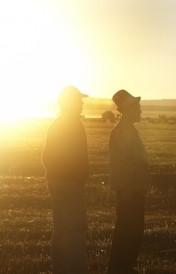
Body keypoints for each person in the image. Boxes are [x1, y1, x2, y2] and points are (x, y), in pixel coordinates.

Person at [41, 85, 89, 273]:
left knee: (60, 229)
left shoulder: (57, 123)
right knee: (75, 230)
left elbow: (46, 156)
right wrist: (75, 178)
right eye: (78, 100)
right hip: (70, 184)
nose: (82, 103)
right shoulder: (73, 124)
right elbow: (74, 156)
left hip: (57, 182)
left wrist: (53, 176)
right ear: (69, 103)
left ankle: (59, 268)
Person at [107, 90, 149, 274]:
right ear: (129, 109)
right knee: (127, 231)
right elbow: (120, 163)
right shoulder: (122, 131)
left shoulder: (127, 129)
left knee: (133, 231)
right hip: (129, 191)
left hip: (134, 189)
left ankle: (124, 267)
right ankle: (119, 269)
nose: (140, 110)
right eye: (137, 107)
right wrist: (126, 190)